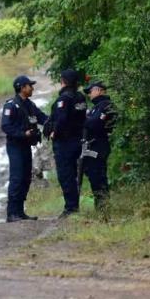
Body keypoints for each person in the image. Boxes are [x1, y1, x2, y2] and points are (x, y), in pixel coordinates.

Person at [1, 75, 48, 222]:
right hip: (15, 146)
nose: (32, 88)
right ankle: (12, 213)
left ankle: (20, 211)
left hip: (27, 146)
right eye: (30, 86)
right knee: (17, 177)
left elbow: (42, 117)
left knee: (26, 178)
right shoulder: (11, 105)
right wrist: (23, 133)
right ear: (22, 87)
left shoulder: (30, 105)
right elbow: (6, 126)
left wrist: (56, 122)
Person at [49, 69, 87, 217]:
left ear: (63, 81)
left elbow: (61, 120)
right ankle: (74, 205)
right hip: (78, 139)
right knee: (75, 173)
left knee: (66, 174)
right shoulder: (80, 98)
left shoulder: (64, 99)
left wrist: (54, 132)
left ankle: (71, 207)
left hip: (65, 142)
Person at [82, 81, 117, 210]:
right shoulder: (96, 107)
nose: (90, 95)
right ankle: (101, 207)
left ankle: (104, 207)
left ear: (98, 90)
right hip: (93, 146)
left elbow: (95, 124)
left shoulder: (106, 105)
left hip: (100, 146)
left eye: (90, 91)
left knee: (99, 177)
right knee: (94, 177)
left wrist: (84, 120)